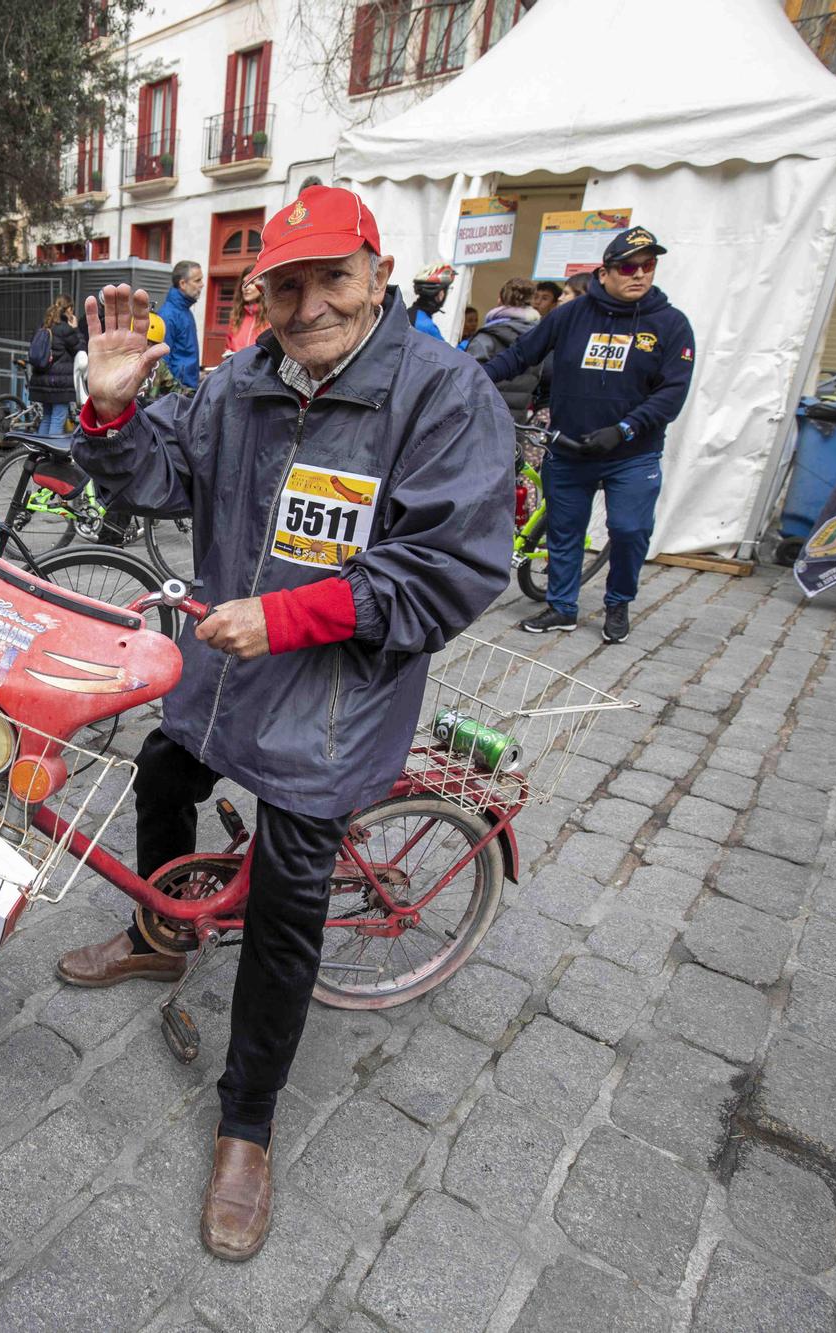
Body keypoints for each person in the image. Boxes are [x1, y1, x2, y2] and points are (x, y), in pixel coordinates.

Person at [58, 185, 512, 1262]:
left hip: (334, 699)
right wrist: (112, 412)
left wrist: (289, 614)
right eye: (284, 286)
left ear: (376, 270)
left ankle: (247, 1123)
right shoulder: (239, 382)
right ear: (258, 296)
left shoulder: (443, 396)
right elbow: (155, 475)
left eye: (330, 280)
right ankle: (160, 933)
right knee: (161, 776)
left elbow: (446, 572)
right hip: (223, 671)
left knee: (282, 905)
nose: (307, 307)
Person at [483, 227, 695, 645]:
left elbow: (672, 393)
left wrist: (624, 430)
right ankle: (562, 606)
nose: (639, 274)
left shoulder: (671, 324)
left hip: (631, 452)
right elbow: (521, 356)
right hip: (569, 448)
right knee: (564, 528)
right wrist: (466, 376)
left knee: (630, 529)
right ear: (604, 272)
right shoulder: (571, 314)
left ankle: (618, 603)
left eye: (648, 265)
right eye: (628, 266)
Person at [466, 278, 543, 418]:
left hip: (484, 416)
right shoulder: (539, 339)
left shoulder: (487, 336)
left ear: (500, 300)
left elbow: (468, 380)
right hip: (518, 419)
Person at [27, 295, 84, 435]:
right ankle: (51, 454)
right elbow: (81, 348)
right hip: (59, 383)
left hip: (41, 380)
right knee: (58, 419)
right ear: (69, 309)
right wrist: (76, 329)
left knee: (47, 418)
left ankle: (40, 453)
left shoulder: (42, 326)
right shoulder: (65, 329)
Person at [157, 261, 204, 390]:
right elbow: (162, 362)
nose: (202, 284)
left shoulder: (186, 311)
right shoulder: (167, 315)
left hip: (186, 390)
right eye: (197, 280)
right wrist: (178, 391)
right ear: (183, 284)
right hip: (177, 394)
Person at [224, 266, 265, 357]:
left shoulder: (271, 317)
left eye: (252, 282)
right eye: (244, 283)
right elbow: (229, 346)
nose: (246, 287)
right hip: (237, 369)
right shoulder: (236, 317)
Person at [408, 263, 456, 340]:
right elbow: (446, 351)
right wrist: (465, 344)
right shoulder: (427, 327)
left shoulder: (408, 313)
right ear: (440, 294)